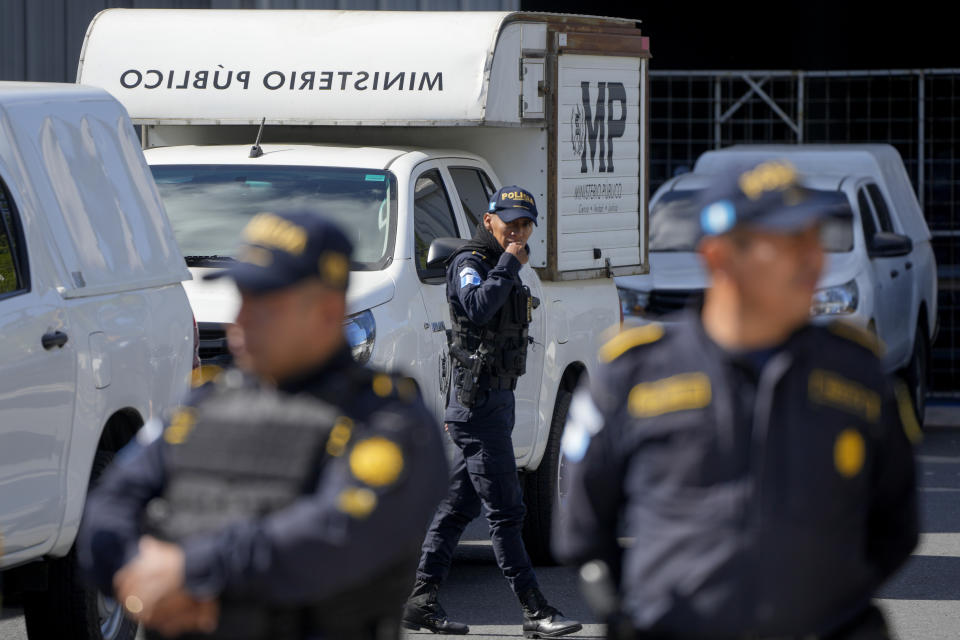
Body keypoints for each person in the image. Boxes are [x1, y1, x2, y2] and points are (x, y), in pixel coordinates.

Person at [554, 160, 921, 639]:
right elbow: (583, 528)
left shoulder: (856, 372)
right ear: (720, 256)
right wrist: (652, 611)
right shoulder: (633, 374)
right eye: (789, 241)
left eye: (815, 238)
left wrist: (824, 602)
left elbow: (896, 525)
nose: (814, 258)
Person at [77, 211, 449, 640]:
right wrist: (139, 576)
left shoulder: (390, 423)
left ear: (328, 311)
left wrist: (189, 573)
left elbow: (333, 537)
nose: (241, 321)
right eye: (242, 298)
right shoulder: (205, 405)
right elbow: (107, 507)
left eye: (266, 304)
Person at [402, 186, 581, 638]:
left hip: (492, 405)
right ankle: (535, 610)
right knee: (506, 512)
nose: (517, 232)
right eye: (509, 223)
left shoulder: (503, 265)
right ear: (488, 221)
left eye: (525, 224)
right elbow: (479, 308)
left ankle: (420, 600)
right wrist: (508, 264)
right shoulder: (471, 264)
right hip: (477, 408)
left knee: (457, 507)